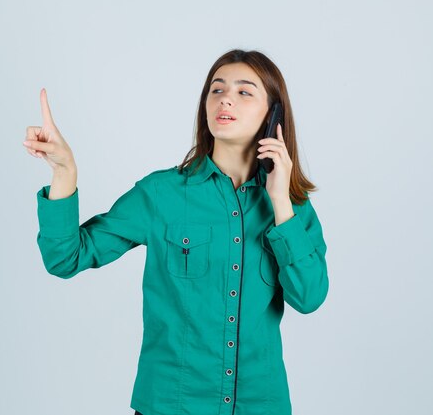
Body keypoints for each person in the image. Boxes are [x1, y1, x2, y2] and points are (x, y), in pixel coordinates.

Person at [23, 48, 329, 415]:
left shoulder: (291, 208)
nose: (226, 98)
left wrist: (280, 202)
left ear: (273, 116)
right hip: (171, 405)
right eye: (216, 90)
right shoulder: (161, 194)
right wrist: (64, 172)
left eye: (244, 91)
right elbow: (65, 257)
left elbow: (309, 297)